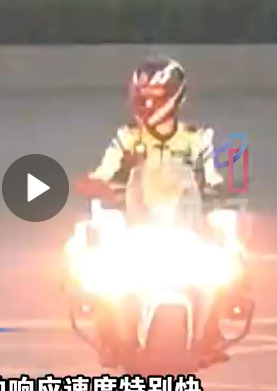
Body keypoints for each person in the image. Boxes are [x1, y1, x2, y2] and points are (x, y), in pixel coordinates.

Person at [79, 56, 247, 367]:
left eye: (154, 96)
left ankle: (212, 329)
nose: (146, 103)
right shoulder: (126, 138)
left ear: (174, 97)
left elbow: (213, 177)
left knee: (228, 247)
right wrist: (95, 183)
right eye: (141, 96)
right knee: (93, 253)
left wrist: (223, 193)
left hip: (186, 223)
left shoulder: (197, 138)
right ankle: (109, 332)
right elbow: (104, 171)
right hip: (138, 223)